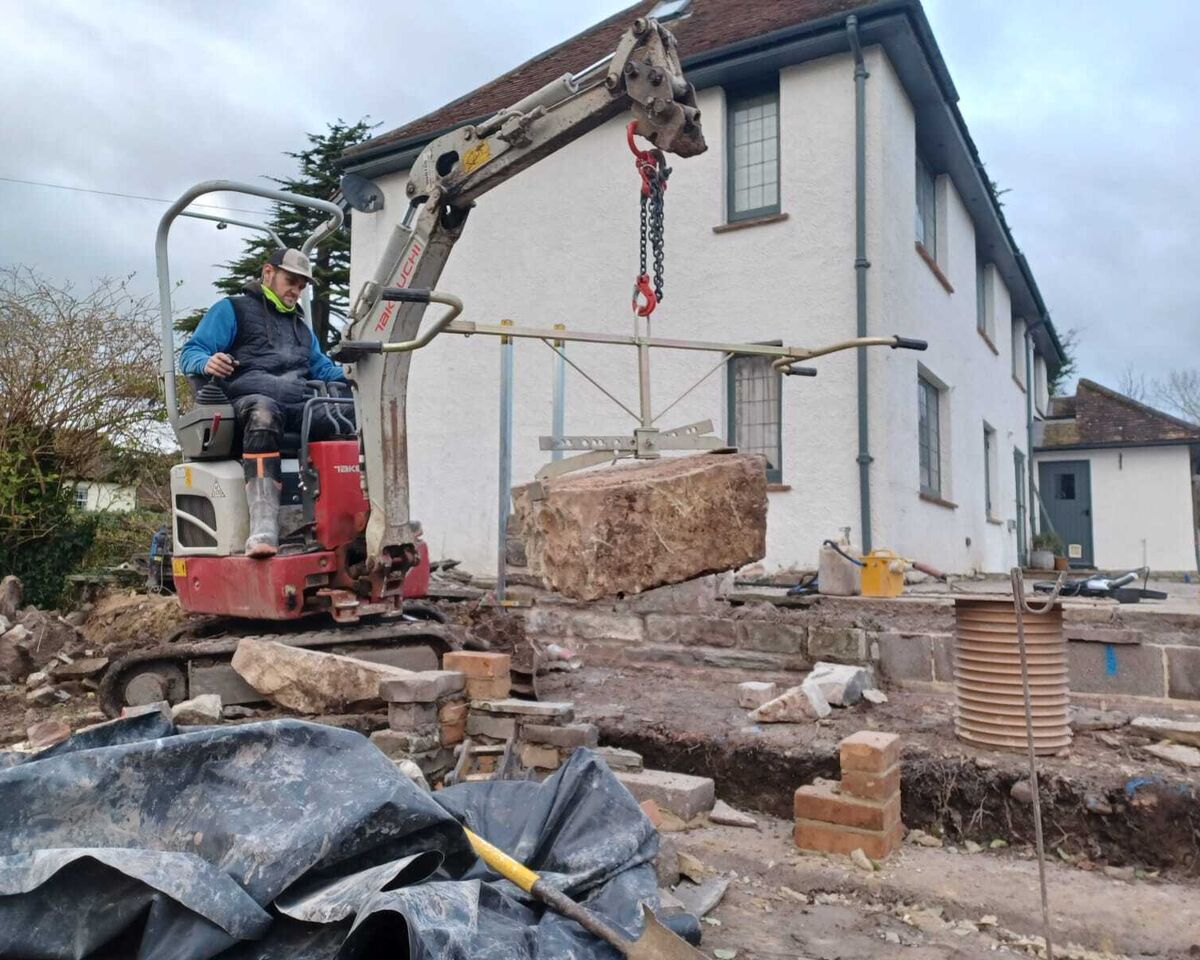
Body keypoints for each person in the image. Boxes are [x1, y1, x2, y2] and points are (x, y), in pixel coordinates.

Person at [180, 248, 350, 557]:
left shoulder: (300, 328)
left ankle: (351, 516)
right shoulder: (232, 309)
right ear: (268, 272)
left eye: (301, 286)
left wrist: (355, 373)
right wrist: (207, 362)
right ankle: (263, 523)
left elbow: (322, 369)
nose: (296, 291)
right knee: (264, 411)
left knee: (345, 417)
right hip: (247, 402)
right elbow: (191, 352)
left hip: (297, 403)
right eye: (291, 281)